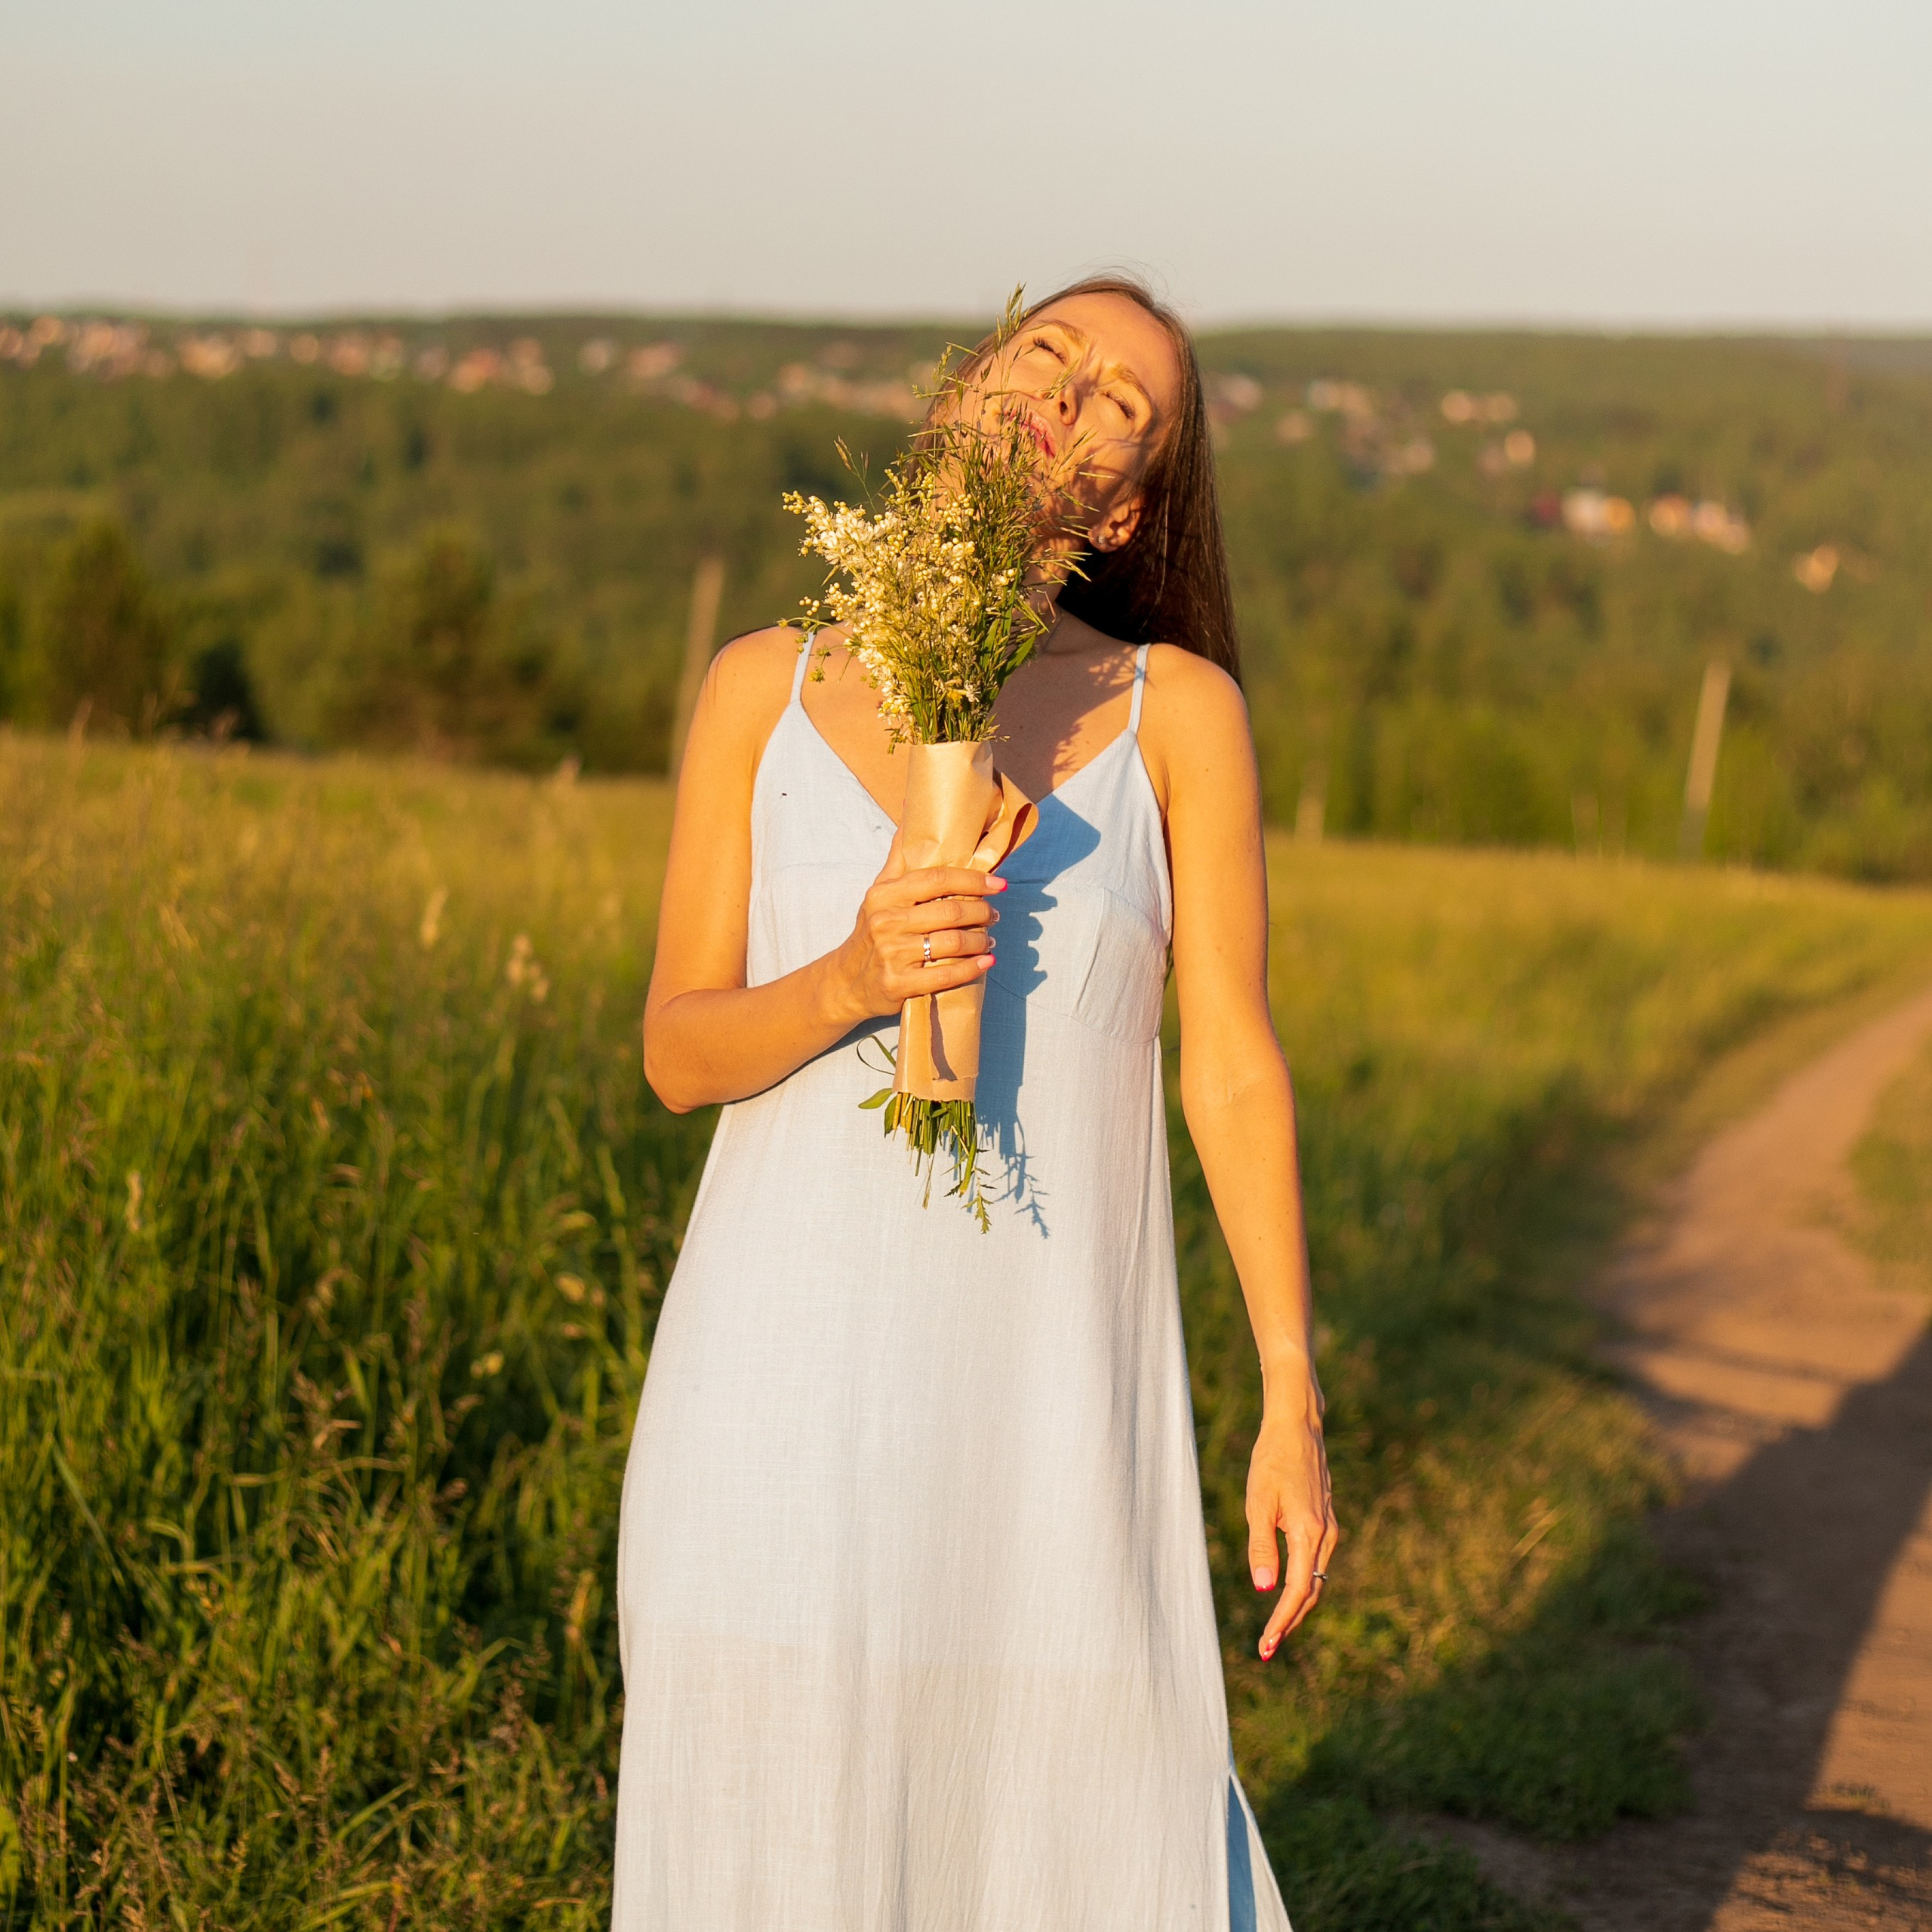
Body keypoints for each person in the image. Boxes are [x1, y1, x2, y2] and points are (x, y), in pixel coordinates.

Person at [615, 275, 1335, 1931]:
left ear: (1132, 500)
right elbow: (674, 1050)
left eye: (1121, 403)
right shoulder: (756, 689)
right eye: (1046, 354)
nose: (1069, 397)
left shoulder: (1178, 720)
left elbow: (1226, 1055)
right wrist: (851, 982)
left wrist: (1288, 1387)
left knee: (1073, 1831)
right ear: (959, 391)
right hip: (767, 1428)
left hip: (1050, 1437)